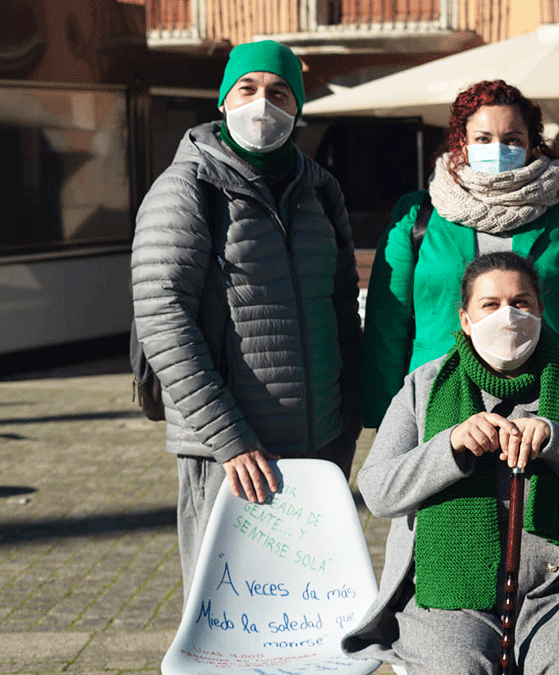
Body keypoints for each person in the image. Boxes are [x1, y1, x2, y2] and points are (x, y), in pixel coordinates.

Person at [342, 252, 559, 675]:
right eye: (490, 304)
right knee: (457, 668)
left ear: (541, 312)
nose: (508, 316)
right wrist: (448, 446)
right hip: (449, 594)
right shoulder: (422, 387)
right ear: (465, 318)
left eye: (521, 303)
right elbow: (377, 491)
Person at [131, 40, 362, 591]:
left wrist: (345, 420)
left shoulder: (319, 189)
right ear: (224, 100)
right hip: (231, 454)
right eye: (248, 88)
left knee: (304, 616)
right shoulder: (188, 187)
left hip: (319, 448)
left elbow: (341, 302)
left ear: (297, 107)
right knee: (229, 614)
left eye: (279, 92)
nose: (263, 104)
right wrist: (229, 438)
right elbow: (164, 317)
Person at [361, 79, 559, 432]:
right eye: (483, 138)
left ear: (531, 143)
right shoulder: (417, 215)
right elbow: (387, 324)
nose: (498, 148)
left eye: (512, 140)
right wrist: (386, 416)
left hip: (556, 394)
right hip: (439, 394)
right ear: (462, 141)